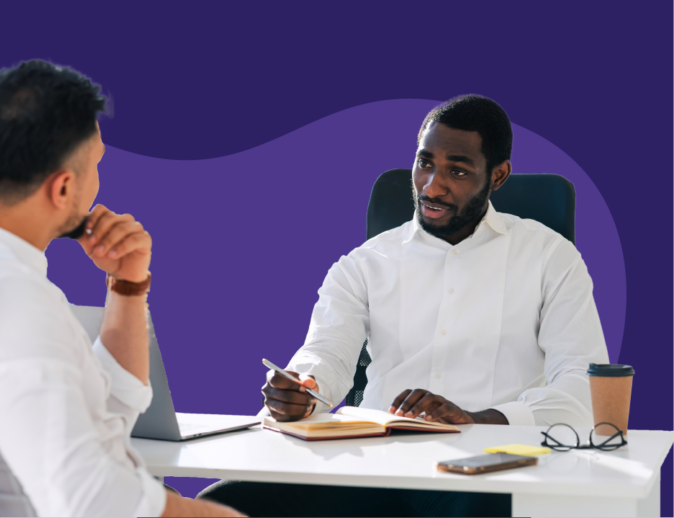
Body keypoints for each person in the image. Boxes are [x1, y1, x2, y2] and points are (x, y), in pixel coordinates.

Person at [198, 95, 610, 516]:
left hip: (484, 467)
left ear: (498, 176)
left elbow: (582, 384)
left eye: (458, 170)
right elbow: (326, 355)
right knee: (223, 503)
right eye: (425, 163)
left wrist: (478, 418)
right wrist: (304, 390)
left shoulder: (549, 258)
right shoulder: (363, 264)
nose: (432, 185)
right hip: (374, 463)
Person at [0, 60, 242, 517]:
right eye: (96, 163)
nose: (99, 181)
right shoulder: (10, 307)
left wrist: (128, 284)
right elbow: (94, 503)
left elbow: (111, 409)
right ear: (63, 188)